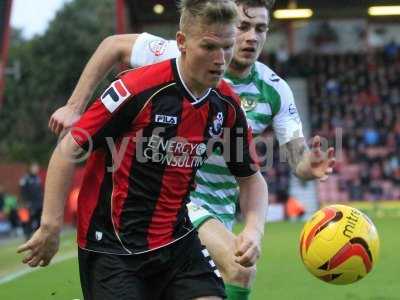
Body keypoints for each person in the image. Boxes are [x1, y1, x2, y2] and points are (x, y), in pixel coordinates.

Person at [48, 1, 335, 299]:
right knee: (240, 269)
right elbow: (113, 45)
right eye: (244, 27)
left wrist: (309, 166)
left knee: (230, 277)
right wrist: (74, 106)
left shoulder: (274, 89)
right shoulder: (183, 54)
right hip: (180, 205)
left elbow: (293, 157)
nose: (251, 37)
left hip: (222, 205)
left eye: (261, 29)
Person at [18, 1, 268, 300]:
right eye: (209, 47)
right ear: (182, 43)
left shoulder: (226, 104)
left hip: (177, 242)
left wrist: (253, 230)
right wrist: (50, 225)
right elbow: (66, 150)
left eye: (227, 47)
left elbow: (251, 178)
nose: (221, 59)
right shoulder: (135, 90)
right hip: (113, 247)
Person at [19, 162, 43, 237]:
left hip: (39, 203)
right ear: (30, 168)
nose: (36, 169)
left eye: (37, 168)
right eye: (34, 168)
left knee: (39, 220)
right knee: (29, 221)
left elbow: (40, 190)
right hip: (30, 204)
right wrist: (26, 202)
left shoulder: (37, 178)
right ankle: (28, 236)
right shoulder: (25, 179)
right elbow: (23, 192)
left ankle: (38, 236)